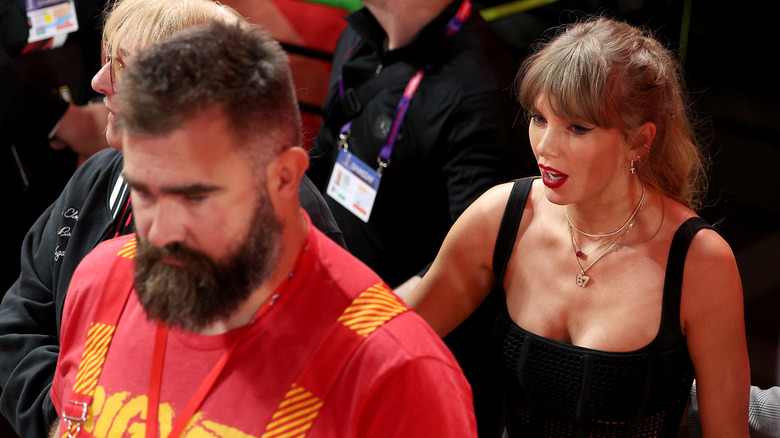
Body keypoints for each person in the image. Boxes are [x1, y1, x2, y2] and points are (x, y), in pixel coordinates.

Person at [49, 19, 476, 437]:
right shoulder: (101, 281)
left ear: (284, 178)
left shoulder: (396, 375)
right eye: (143, 192)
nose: (159, 234)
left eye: (195, 197)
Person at [0, 1, 344, 436]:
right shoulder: (97, 174)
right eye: (106, 60)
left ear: (186, 96)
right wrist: (67, 418)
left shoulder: (291, 219)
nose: (98, 82)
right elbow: (20, 317)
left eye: (120, 67)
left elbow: (287, 389)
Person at [407, 16, 750, 437]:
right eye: (539, 118)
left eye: (577, 128)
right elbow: (394, 334)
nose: (546, 147)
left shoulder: (701, 262)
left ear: (640, 141)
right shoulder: (503, 215)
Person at [306, 0, 537, 294]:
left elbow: (469, 264)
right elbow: (324, 158)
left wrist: (362, 326)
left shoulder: (480, 98)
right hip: (321, 271)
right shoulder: (360, 37)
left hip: (379, 310)